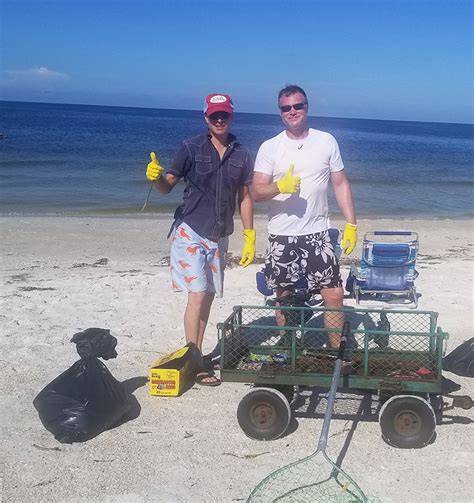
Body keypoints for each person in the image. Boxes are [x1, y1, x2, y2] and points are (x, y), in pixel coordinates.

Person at [145, 93, 255, 385]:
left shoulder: (242, 153)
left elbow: (244, 196)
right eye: (214, 115)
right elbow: (166, 186)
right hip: (190, 230)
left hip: (219, 235)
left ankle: (196, 354)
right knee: (197, 295)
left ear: (232, 117)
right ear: (205, 117)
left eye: (225, 115)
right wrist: (154, 177)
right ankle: (195, 361)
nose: (219, 120)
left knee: (206, 296)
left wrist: (250, 234)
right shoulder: (190, 147)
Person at [252, 84, 357, 348]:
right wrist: (279, 187)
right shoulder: (270, 147)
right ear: (280, 112)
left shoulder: (326, 141)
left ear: (306, 107)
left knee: (333, 293)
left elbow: (341, 183)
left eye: (297, 106)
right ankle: (287, 347)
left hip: (317, 234)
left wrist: (352, 223)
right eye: (286, 108)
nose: (292, 111)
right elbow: (256, 191)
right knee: (283, 295)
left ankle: (336, 350)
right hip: (281, 234)